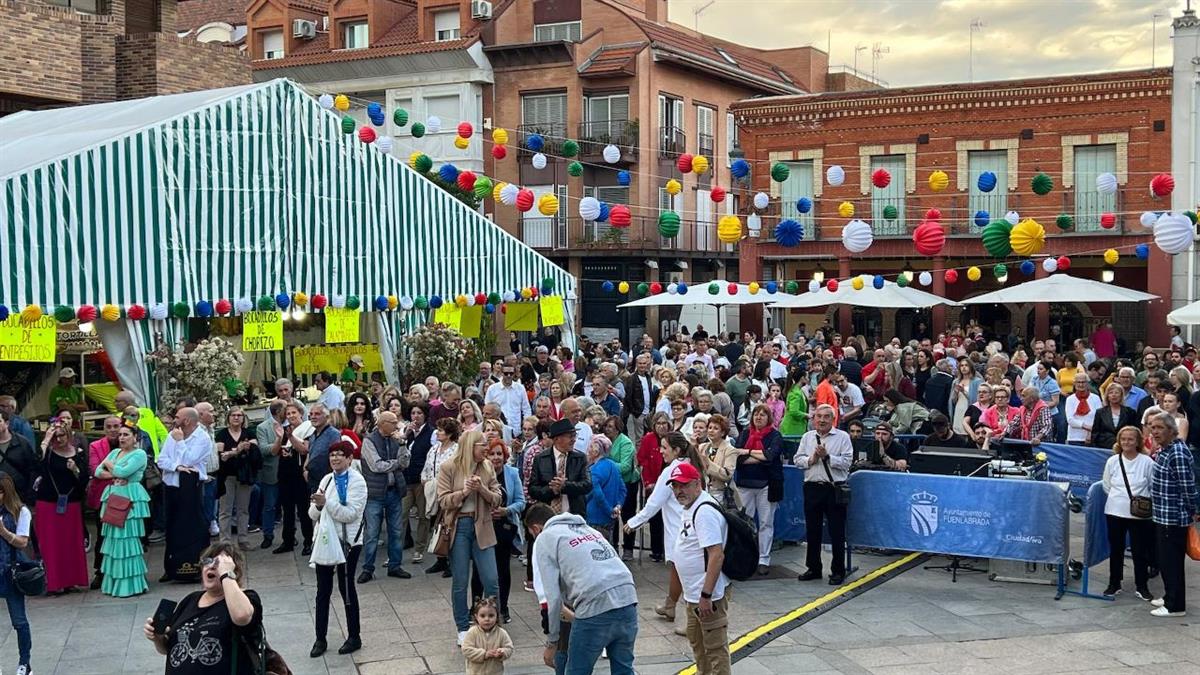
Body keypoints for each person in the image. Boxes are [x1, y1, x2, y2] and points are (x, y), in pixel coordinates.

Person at [528, 502, 638, 675]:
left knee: (577, 671)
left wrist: (552, 642)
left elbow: (553, 599)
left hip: (594, 604)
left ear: (535, 529)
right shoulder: (589, 530)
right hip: (628, 597)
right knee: (623, 669)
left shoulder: (545, 537)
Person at [145, 542, 262, 674]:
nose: (211, 566)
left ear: (235, 571)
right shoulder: (190, 599)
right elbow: (168, 648)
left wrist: (227, 574)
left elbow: (241, 616)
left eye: (219, 563)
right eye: (207, 561)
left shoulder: (247, 598)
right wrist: (158, 638)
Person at [437, 429, 503, 646]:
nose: (486, 448)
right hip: (459, 527)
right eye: (482, 444)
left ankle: (492, 625)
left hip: (482, 526)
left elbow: (497, 498)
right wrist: (464, 492)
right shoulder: (449, 467)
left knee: (491, 580)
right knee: (460, 581)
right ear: (470, 446)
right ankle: (463, 627)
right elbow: (444, 501)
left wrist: (482, 489)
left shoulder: (487, 467)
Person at [667, 462, 731, 674]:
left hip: (707, 596)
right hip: (694, 594)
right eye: (675, 486)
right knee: (698, 644)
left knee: (715, 650)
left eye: (684, 485)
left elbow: (716, 554)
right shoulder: (692, 506)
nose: (678, 491)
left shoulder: (704, 512)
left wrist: (706, 595)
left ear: (697, 484)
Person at [309, 441, 366, 656]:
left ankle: (354, 636)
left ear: (350, 459)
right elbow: (312, 514)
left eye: (340, 454)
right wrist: (319, 505)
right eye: (332, 454)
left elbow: (350, 514)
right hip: (325, 541)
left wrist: (327, 504)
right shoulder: (327, 479)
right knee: (322, 591)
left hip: (348, 542)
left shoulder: (357, 482)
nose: (335, 458)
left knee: (346, 589)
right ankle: (320, 638)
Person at [794, 404, 853, 585]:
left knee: (837, 531)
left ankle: (838, 570)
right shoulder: (807, 437)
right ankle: (813, 567)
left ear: (832, 419)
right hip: (812, 487)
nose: (821, 420)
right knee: (812, 530)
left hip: (833, 488)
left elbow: (847, 462)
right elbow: (798, 459)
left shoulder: (843, 437)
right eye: (818, 416)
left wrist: (827, 457)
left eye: (826, 417)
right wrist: (811, 459)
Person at [1148, 413, 1198, 617]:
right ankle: (1170, 594)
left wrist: (1192, 510)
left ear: (1171, 430)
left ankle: (1175, 605)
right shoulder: (1165, 449)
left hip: (1173, 516)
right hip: (1162, 514)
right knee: (1166, 559)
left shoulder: (1176, 452)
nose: (1155, 431)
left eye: (1160, 428)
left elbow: (1187, 486)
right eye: (1152, 427)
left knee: (1172, 561)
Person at [93, 419, 151, 597]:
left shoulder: (139, 454)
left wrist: (113, 468)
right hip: (114, 495)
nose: (121, 438)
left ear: (135, 437)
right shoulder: (116, 452)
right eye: (120, 435)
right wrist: (116, 471)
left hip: (130, 497)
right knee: (112, 540)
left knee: (127, 540)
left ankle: (131, 584)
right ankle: (114, 583)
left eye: (126, 434)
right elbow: (97, 471)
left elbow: (121, 472)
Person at [470, 439, 525, 623]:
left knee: (502, 569)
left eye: (499, 454)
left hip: (503, 527)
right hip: (483, 526)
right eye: (492, 453)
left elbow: (520, 501)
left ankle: (502, 607)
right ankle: (476, 607)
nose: (496, 458)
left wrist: (505, 510)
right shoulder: (478, 472)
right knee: (479, 570)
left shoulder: (512, 473)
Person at [34, 414, 89, 595]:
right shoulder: (48, 453)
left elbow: (83, 482)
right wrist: (46, 439)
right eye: (55, 436)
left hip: (71, 504)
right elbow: (36, 463)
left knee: (71, 544)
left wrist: (75, 469)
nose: (58, 440)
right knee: (52, 544)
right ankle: (54, 582)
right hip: (49, 503)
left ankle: (71, 580)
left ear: (68, 435)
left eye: (61, 436)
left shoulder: (78, 453)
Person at [1101, 426, 1155, 600]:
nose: (1126, 442)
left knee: (1140, 550)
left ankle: (1142, 585)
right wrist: (1120, 498)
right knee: (1116, 549)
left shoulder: (1147, 462)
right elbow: (1106, 485)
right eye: (1123, 439)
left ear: (1138, 441)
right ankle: (1114, 583)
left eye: (1130, 439)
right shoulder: (1113, 461)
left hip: (1139, 514)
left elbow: (1152, 486)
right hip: (1115, 511)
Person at [157, 408, 212, 582]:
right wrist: (176, 467)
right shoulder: (172, 435)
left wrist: (180, 443)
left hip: (191, 487)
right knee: (171, 526)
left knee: (193, 526)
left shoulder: (202, 439)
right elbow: (161, 460)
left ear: (187, 421)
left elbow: (189, 460)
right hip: (171, 486)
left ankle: (196, 566)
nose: (175, 420)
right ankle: (171, 566)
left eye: (178, 417)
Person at [358, 410, 412, 583]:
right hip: (374, 493)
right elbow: (376, 466)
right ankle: (368, 568)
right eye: (393, 422)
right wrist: (397, 464)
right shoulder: (369, 441)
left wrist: (402, 444)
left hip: (394, 491)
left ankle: (395, 566)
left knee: (396, 531)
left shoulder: (396, 440)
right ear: (383, 424)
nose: (397, 425)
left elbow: (406, 462)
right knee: (372, 533)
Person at [733, 404, 783, 575]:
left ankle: (764, 559)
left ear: (769, 417)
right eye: (756, 414)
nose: (759, 417)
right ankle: (745, 556)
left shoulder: (775, 435)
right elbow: (737, 458)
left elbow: (770, 457)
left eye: (763, 415)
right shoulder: (745, 433)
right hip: (745, 484)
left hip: (767, 485)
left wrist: (747, 452)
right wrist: (758, 454)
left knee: (765, 522)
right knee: (744, 522)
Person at [272, 401, 314, 555]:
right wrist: (279, 438)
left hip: (300, 475)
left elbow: (304, 450)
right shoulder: (284, 430)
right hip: (285, 475)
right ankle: (288, 541)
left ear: (300, 413)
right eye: (288, 414)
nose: (291, 416)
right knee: (287, 511)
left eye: (293, 413)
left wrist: (292, 438)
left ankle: (308, 541)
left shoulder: (308, 429)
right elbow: (274, 451)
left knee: (304, 511)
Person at [0, 472, 32, 675]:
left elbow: (22, 542)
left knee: (19, 621)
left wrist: (3, 531)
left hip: (10, 571)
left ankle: (24, 663)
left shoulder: (21, 512)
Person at [528, 419, 592, 517]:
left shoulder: (580, 458)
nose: (574, 439)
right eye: (571, 436)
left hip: (574, 516)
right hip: (548, 517)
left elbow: (587, 485)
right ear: (557, 439)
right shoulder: (540, 459)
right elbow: (532, 490)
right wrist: (552, 490)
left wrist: (565, 486)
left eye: (575, 435)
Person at [422, 417, 461, 576]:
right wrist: (424, 480)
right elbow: (427, 467)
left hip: (449, 493)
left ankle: (452, 562)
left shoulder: (457, 450)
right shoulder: (434, 449)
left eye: (441, 430)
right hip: (433, 493)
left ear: (450, 433)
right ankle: (440, 559)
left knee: (449, 527)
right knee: (437, 526)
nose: (437, 432)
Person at [215, 407, 258, 550]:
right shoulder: (222, 434)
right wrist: (238, 451)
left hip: (244, 477)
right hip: (227, 476)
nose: (236, 418)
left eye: (239, 415)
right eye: (233, 415)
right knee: (225, 510)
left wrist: (231, 453)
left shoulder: (249, 433)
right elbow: (220, 455)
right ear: (228, 417)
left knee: (243, 509)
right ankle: (225, 541)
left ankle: (243, 539)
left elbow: (254, 450)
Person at [402, 403, 433, 564]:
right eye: (413, 413)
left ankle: (419, 549)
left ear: (425, 415)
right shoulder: (408, 433)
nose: (416, 416)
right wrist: (405, 435)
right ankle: (396, 549)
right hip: (407, 479)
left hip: (422, 480)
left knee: (423, 515)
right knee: (402, 515)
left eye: (419, 413)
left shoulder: (431, 433)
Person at [254, 401, 285, 550]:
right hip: (271, 471)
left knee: (290, 506)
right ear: (279, 411)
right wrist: (279, 444)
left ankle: (289, 536)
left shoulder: (290, 425)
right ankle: (268, 535)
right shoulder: (263, 427)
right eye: (286, 410)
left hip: (289, 471)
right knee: (270, 506)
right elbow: (265, 450)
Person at [585, 434, 625, 541]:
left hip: (595, 517)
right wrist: (618, 506)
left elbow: (598, 495)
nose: (587, 451)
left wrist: (609, 511)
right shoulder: (614, 466)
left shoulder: (593, 470)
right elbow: (622, 489)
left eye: (589, 447)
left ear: (596, 451)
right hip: (611, 518)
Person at [461, 596, 514, 674]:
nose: (487, 619)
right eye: (482, 616)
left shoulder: (501, 633)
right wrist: (484, 654)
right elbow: (466, 649)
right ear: (476, 616)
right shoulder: (472, 632)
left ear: (497, 616)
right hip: (475, 672)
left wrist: (502, 652)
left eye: (491, 616)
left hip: (495, 672)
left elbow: (509, 647)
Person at [698, 414, 737, 505]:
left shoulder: (730, 450)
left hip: (720, 494)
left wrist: (707, 462)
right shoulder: (702, 447)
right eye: (710, 427)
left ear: (723, 432)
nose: (711, 430)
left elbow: (727, 475)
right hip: (703, 492)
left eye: (715, 428)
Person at [485, 363, 532, 434]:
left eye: (511, 373)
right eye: (506, 373)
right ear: (501, 373)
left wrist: (526, 425)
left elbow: (526, 409)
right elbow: (487, 409)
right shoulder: (492, 389)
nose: (509, 376)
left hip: (516, 430)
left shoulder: (520, 388)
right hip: (498, 429)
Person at [0, 413, 36, 505]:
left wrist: (29, 496)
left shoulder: (22, 443)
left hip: (18, 497)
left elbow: (32, 470)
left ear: (7, 423)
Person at [1091, 383, 1139, 450]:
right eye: (1111, 393)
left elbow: (1135, 431)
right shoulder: (1100, 412)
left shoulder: (1130, 412)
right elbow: (1095, 433)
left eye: (1116, 393)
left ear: (1121, 395)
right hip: (1104, 446)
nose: (1114, 395)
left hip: (1124, 447)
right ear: (1107, 396)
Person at [1065, 373, 1102, 445]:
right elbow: (1070, 420)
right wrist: (1088, 428)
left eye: (1083, 382)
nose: (1081, 385)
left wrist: (1090, 433)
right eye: (1078, 382)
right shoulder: (1070, 399)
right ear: (1074, 383)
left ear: (1087, 383)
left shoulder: (1096, 398)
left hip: (1093, 437)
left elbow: (1098, 418)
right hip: (1075, 437)